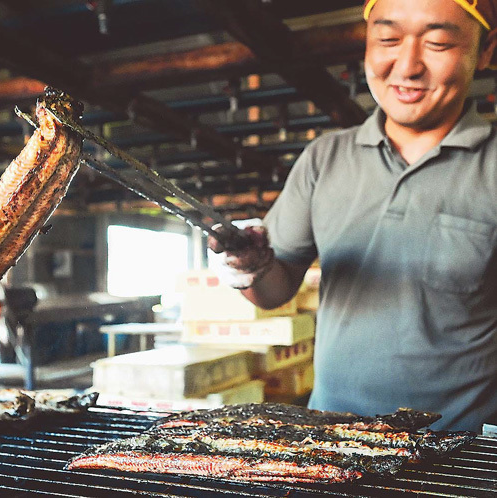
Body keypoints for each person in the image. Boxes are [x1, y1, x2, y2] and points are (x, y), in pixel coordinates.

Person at [209, 0, 497, 432]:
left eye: (437, 43)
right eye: (388, 39)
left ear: (487, 50)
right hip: (330, 438)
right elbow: (274, 291)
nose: (408, 65)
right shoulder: (324, 159)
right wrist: (250, 266)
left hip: (458, 452)